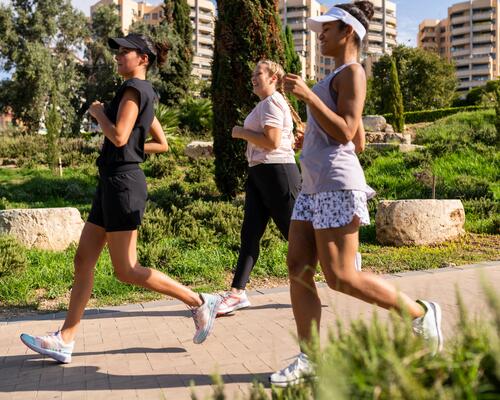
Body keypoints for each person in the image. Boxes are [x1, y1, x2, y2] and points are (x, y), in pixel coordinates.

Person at [269, 2, 443, 387]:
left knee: (342, 276)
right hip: (313, 187)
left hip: (336, 186)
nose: (320, 34)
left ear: (347, 32)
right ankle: (311, 358)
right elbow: (358, 141)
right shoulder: (334, 77)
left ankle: (419, 313)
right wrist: (309, 136)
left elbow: (347, 132)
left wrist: (309, 100)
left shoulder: (354, 73)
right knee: (298, 267)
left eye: (326, 29)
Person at [20, 33, 221, 364]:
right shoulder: (144, 93)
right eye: (118, 51)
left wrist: (98, 113)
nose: (117, 56)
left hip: (122, 186)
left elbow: (118, 136)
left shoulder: (133, 90)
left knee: (126, 269)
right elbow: (160, 142)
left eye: (124, 52)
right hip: (111, 183)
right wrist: (129, 146)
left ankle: (199, 301)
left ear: (143, 58)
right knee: (84, 260)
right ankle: (64, 340)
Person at [216, 60, 303, 315]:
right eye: (252, 73)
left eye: (258, 74)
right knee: (250, 234)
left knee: (296, 235)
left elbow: (272, 142)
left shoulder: (272, 102)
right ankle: (237, 293)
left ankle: (343, 263)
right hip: (260, 173)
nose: (253, 77)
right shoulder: (266, 104)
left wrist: (240, 132)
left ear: (273, 78)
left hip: (277, 172)